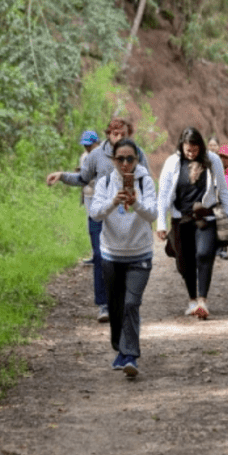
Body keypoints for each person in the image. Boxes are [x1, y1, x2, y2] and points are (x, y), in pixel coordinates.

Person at [47, 118, 148, 323]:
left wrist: (142, 208)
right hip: (100, 212)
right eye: (115, 134)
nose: (119, 138)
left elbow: (145, 182)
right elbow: (82, 178)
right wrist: (61, 175)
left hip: (125, 215)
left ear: (129, 135)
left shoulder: (137, 153)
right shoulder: (96, 155)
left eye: (123, 134)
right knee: (100, 257)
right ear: (108, 134)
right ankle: (104, 305)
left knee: (122, 260)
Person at [88, 138, 157, 377]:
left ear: (137, 159)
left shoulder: (145, 180)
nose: (126, 163)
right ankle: (120, 348)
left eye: (130, 158)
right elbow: (95, 214)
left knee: (131, 303)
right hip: (111, 254)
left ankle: (130, 356)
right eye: (121, 159)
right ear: (113, 160)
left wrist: (135, 202)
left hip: (140, 253)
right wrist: (113, 201)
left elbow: (153, 214)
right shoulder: (105, 182)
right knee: (116, 307)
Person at [156, 127, 228, 319]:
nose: (191, 153)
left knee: (204, 254)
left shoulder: (212, 160)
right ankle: (192, 299)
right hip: (181, 219)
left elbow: (224, 192)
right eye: (188, 149)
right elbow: (162, 197)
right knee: (185, 262)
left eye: (194, 149)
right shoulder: (172, 163)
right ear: (181, 146)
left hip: (206, 218)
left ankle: (202, 301)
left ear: (200, 147)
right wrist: (161, 223)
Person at [77, 130, 101, 265]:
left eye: (89, 145)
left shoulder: (103, 156)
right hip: (88, 195)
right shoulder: (84, 157)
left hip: (100, 195)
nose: (87, 147)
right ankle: (95, 255)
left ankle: (102, 255)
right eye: (85, 145)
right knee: (92, 227)